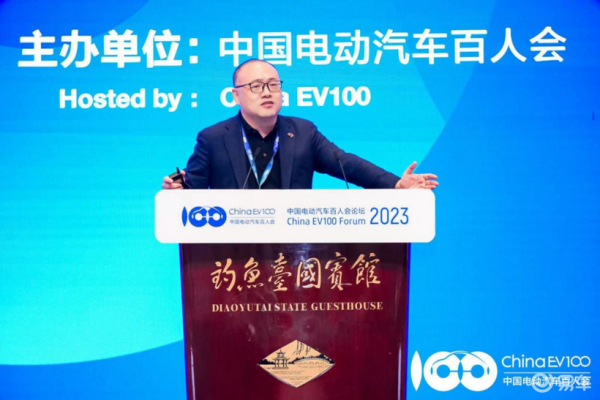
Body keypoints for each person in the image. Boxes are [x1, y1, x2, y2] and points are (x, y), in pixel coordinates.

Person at [162, 59, 438, 191]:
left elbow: (345, 163)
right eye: (256, 86)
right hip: (232, 254)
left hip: (293, 251)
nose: (267, 92)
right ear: (235, 95)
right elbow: (191, 189)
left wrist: (396, 184)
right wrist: (178, 188)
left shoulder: (303, 132)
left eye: (273, 85)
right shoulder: (212, 138)